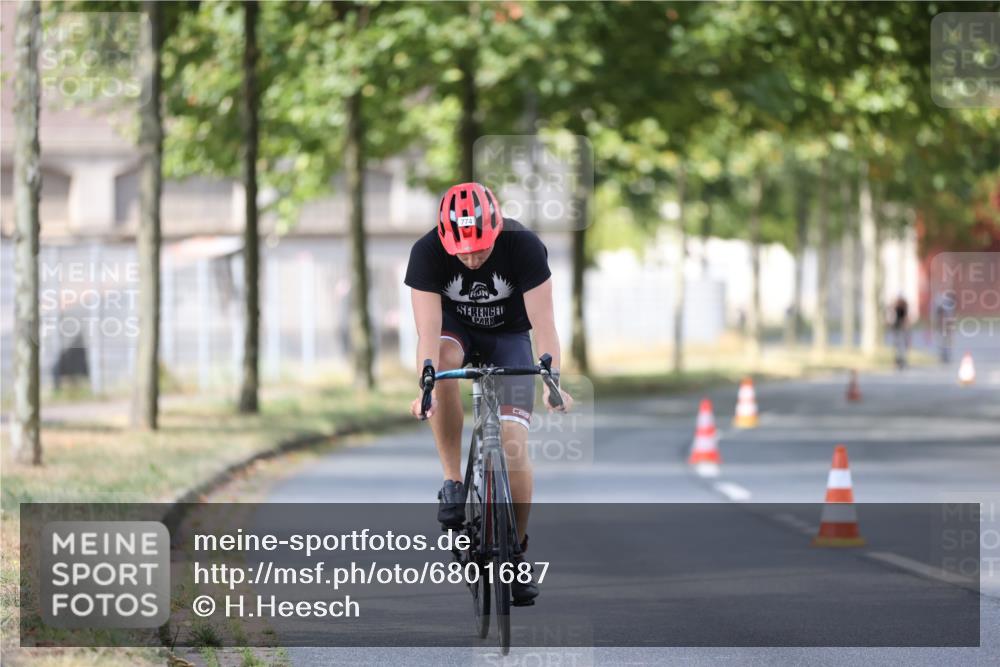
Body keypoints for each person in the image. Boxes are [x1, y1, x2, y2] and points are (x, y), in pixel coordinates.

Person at [404, 182, 574, 605]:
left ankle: (514, 553)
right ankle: (453, 481)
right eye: (462, 251)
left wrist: (552, 380)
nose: (472, 258)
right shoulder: (426, 253)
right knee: (442, 369)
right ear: (444, 238)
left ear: (497, 229)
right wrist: (426, 383)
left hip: (510, 336)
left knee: (514, 447)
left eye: (481, 249)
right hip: (453, 332)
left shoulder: (525, 246)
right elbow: (427, 331)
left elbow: (545, 323)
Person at [891, 294, 909, 369]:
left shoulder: (903, 308)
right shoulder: (897, 307)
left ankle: (901, 360)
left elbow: (905, 318)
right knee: (898, 344)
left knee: (901, 345)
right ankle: (898, 360)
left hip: (901, 327)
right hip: (897, 327)